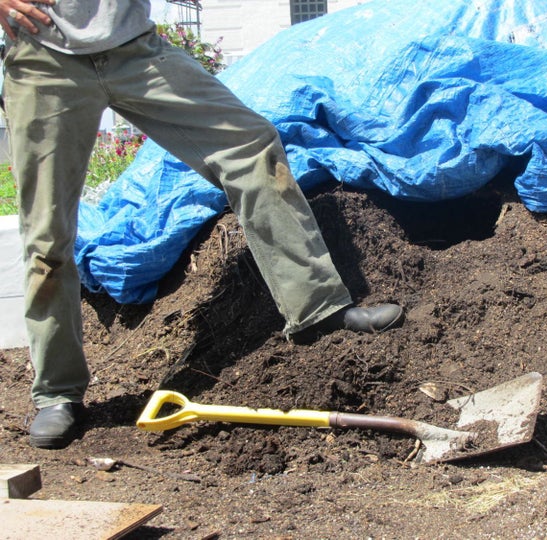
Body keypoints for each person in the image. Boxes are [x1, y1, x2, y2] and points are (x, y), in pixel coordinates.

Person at [0, 0, 403, 449]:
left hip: (134, 49)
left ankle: (317, 309)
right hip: (44, 62)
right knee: (47, 235)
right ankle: (58, 392)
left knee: (250, 146)